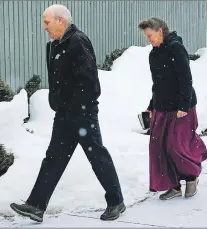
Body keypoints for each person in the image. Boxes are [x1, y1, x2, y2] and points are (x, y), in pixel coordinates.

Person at [10, 4, 125, 223]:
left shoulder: (77, 42)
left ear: (60, 20)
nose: (44, 27)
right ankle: (35, 206)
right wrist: (59, 103)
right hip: (64, 114)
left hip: (82, 113)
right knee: (53, 158)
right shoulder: (54, 45)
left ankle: (116, 201)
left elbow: (90, 83)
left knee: (96, 156)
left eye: (47, 22)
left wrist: (76, 106)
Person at [138, 18, 207, 200]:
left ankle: (192, 177)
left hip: (181, 108)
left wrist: (183, 106)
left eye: (150, 36)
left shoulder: (175, 48)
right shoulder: (153, 54)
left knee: (176, 146)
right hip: (162, 106)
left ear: (160, 31)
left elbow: (186, 79)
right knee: (158, 147)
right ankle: (173, 186)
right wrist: (151, 106)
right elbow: (158, 84)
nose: (149, 40)